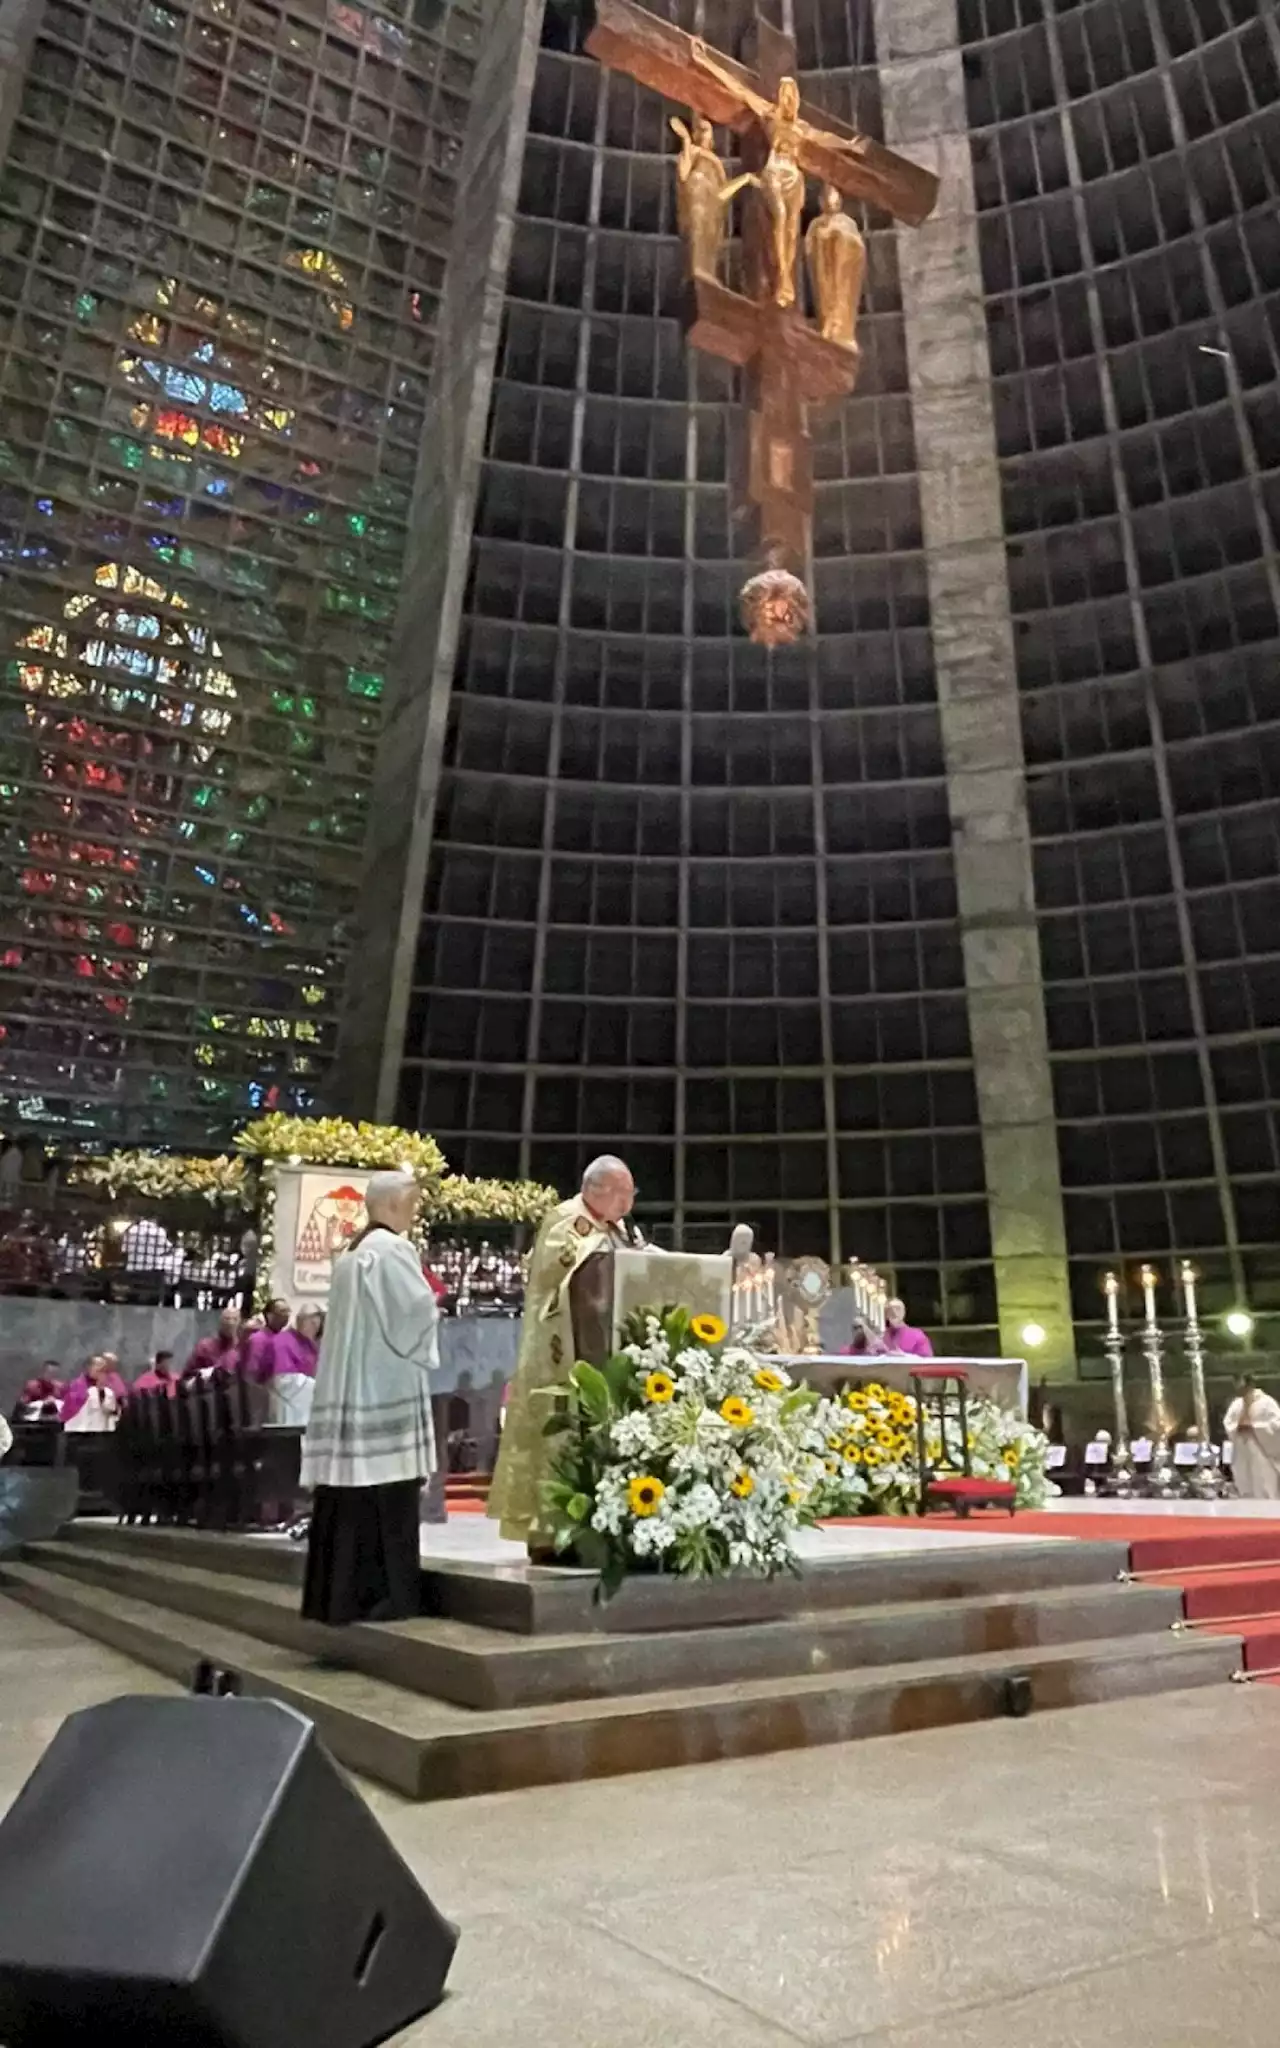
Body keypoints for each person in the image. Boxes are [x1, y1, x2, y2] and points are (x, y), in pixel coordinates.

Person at [300, 1170, 439, 1626]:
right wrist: (435, 1305)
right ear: (395, 1206)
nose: (414, 1213)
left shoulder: (352, 1254)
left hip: (350, 1387)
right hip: (383, 1385)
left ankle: (336, 1599)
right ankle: (387, 1597)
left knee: (349, 1494)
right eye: (412, 1205)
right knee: (386, 1488)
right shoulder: (393, 1251)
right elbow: (414, 1313)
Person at [488, 1154, 640, 1556]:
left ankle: (598, 1528)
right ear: (595, 1190)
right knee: (559, 1437)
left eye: (630, 1192)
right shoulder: (565, 1220)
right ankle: (551, 1534)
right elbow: (575, 1271)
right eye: (621, 1192)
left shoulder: (618, 1228)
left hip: (602, 1353)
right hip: (564, 1351)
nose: (628, 1201)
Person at [261, 1304, 323, 1425]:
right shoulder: (282, 1341)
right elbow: (283, 1381)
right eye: (313, 1325)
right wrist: (319, 1387)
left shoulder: (309, 1343)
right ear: (302, 1321)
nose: (315, 1330)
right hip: (289, 1408)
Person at [1224, 1376, 1280, 1500]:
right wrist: (1236, 1427)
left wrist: (1255, 1427)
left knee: (1263, 1487)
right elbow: (1228, 1423)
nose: (1239, 1389)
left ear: (1250, 1385)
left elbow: (1277, 1425)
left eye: (1241, 1386)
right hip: (1241, 1451)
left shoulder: (1267, 1402)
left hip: (1261, 1451)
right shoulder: (1236, 1404)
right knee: (1244, 1487)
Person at [61, 1354, 127, 1432]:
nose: (101, 1368)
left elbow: (112, 1409)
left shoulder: (108, 1390)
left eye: (103, 1367)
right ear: (89, 1368)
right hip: (79, 1430)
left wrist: (101, 1391)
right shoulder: (77, 1385)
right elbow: (70, 1408)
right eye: (98, 1365)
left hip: (101, 1430)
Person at [182, 1305, 243, 1379]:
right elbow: (188, 1375)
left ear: (239, 1322)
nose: (230, 1323)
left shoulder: (243, 1348)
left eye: (235, 1319)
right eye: (227, 1319)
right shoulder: (204, 1347)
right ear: (220, 1321)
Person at [241, 1298, 292, 1382]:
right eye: (282, 1311)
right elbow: (251, 1374)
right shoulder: (258, 1340)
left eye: (288, 1311)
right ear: (269, 1315)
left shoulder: (285, 1338)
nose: (286, 1315)